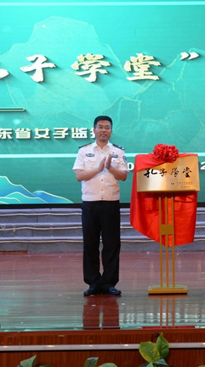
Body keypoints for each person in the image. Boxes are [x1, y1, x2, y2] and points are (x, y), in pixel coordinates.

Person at [73, 116, 128, 296]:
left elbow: (123, 176)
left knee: (112, 244)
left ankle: (109, 282)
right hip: (90, 202)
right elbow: (79, 176)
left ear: (111, 130)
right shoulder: (84, 151)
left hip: (111, 202)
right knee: (90, 243)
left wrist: (110, 167)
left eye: (107, 127)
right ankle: (93, 282)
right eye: (100, 127)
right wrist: (98, 168)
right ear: (94, 130)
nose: (104, 130)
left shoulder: (118, 151)